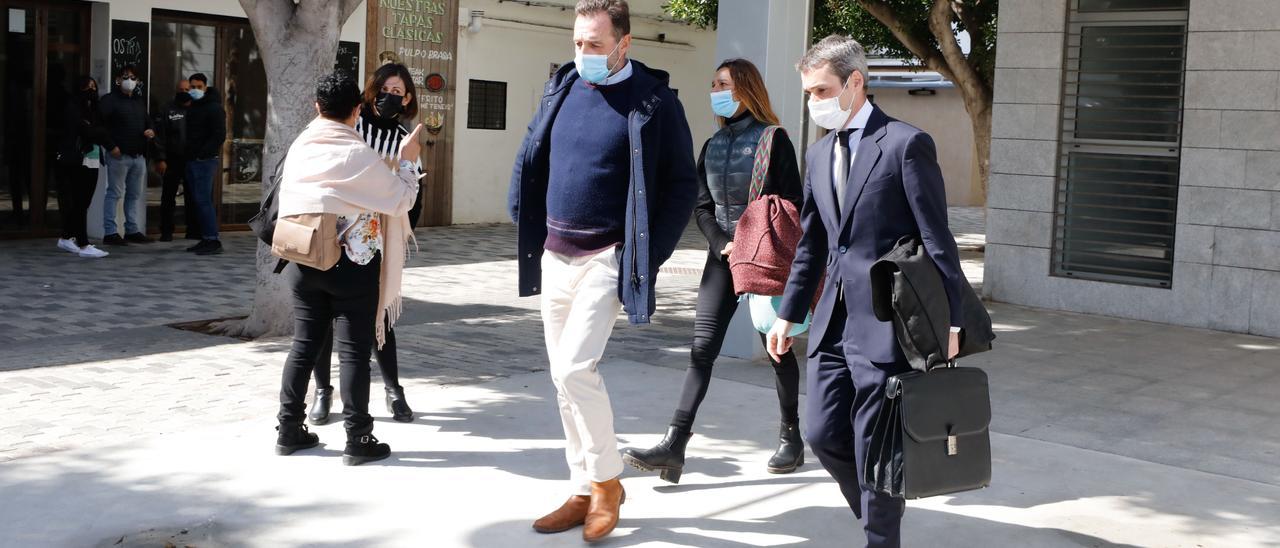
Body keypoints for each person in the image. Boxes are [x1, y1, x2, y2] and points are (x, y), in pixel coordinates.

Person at [765, 36, 967, 548]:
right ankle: (880, 512)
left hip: (886, 322)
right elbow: (813, 244)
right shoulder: (816, 155)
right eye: (808, 92)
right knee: (822, 434)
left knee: (874, 443)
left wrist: (953, 322)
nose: (814, 102)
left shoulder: (905, 144)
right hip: (832, 322)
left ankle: (882, 537)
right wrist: (788, 315)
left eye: (822, 90)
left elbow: (937, 240)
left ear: (856, 82)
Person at [508, 0, 697, 541]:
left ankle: (608, 483)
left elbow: (682, 185)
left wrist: (646, 256)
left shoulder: (655, 103)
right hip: (555, 251)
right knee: (561, 379)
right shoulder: (562, 87)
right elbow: (533, 151)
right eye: (577, 43)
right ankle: (582, 487)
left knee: (574, 370)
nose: (583, 53)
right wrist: (522, 212)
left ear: (624, 44)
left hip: (605, 257)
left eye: (594, 44)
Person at [621, 59, 804, 482]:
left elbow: (793, 202)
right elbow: (701, 207)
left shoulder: (775, 140)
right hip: (722, 259)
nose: (716, 89)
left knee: (777, 349)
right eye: (713, 82)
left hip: (763, 262)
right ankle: (674, 445)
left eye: (723, 83)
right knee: (701, 350)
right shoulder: (712, 145)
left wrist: (754, 244)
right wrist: (721, 243)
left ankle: (790, 438)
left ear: (745, 89)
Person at [273, 71, 422, 466]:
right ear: (357, 110)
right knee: (354, 351)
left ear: (317, 107)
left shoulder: (300, 145)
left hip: (301, 257)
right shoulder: (359, 154)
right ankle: (358, 438)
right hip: (353, 265)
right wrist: (407, 163)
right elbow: (400, 200)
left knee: (304, 345)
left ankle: (288, 430)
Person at [307, 62, 424, 425]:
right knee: (322, 318)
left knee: (380, 316)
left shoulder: (405, 139)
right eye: (386, 89)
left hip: (377, 238)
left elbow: (413, 196)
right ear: (371, 91)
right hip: (332, 231)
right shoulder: (350, 126)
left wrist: (397, 240)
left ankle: (393, 389)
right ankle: (323, 392)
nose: (391, 97)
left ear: (407, 100)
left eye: (399, 93)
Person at [54, 76, 113, 258]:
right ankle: (84, 243)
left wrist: (97, 130)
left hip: (94, 157)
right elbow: (86, 130)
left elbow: (100, 129)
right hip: (79, 158)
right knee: (80, 201)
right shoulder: (73, 107)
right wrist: (98, 131)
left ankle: (66, 236)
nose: (92, 90)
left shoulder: (93, 108)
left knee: (84, 202)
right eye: (87, 87)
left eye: (94, 87)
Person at [99, 65, 155, 245]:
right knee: (114, 193)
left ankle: (132, 229)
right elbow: (100, 125)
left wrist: (151, 131)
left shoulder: (138, 101)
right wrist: (110, 146)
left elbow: (149, 122)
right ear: (117, 80)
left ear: (138, 81)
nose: (129, 80)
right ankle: (110, 232)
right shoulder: (109, 100)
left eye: (132, 77)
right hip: (119, 155)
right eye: (125, 77)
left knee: (134, 194)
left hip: (138, 155)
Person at [183, 73, 226, 255]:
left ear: (205, 87)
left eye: (198, 87)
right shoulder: (194, 107)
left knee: (203, 200)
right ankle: (205, 237)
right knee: (198, 201)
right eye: (192, 87)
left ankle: (212, 239)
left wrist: (202, 154)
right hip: (193, 159)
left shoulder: (214, 108)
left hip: (204, 160)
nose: (194, 90)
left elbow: (218, 135)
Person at [153, 79, 200, 242]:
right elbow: (159, 136)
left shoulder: (197, 108)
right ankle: (166, 231)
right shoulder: (167, 109)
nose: (184, 92)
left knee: (192, 196)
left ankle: (193, 230)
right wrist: (160, 158)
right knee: (168, 197)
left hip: (192, 160)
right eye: (181, 89)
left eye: (187, 89)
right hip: (172, 160)